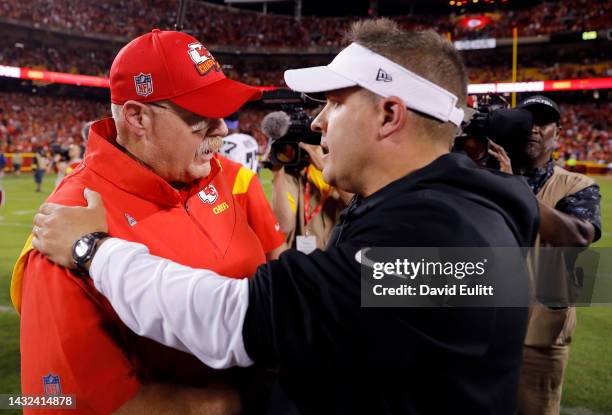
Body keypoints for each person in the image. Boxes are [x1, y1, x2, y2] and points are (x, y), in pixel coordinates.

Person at [32, 20, 539, 414]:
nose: (317, 121)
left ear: (389, 115)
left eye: (335, 104)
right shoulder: (472, 210)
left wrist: (90, 249)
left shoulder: (428, 235)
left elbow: (230, 317)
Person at [12, 29, 283, 414]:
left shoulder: (221, 174)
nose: (222, 128)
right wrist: (231, 402)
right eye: (199, 116)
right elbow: (63, 401)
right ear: (137, 116)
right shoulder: (66, 223)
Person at [513, 95, 601, 415]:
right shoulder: (484, 175)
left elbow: (577, 236)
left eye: (543, 122)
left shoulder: (577, 185)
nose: (534, 129)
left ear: (557, 133)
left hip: (538, 340)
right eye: (526, 121)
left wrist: (510, 186)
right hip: (481, 329)